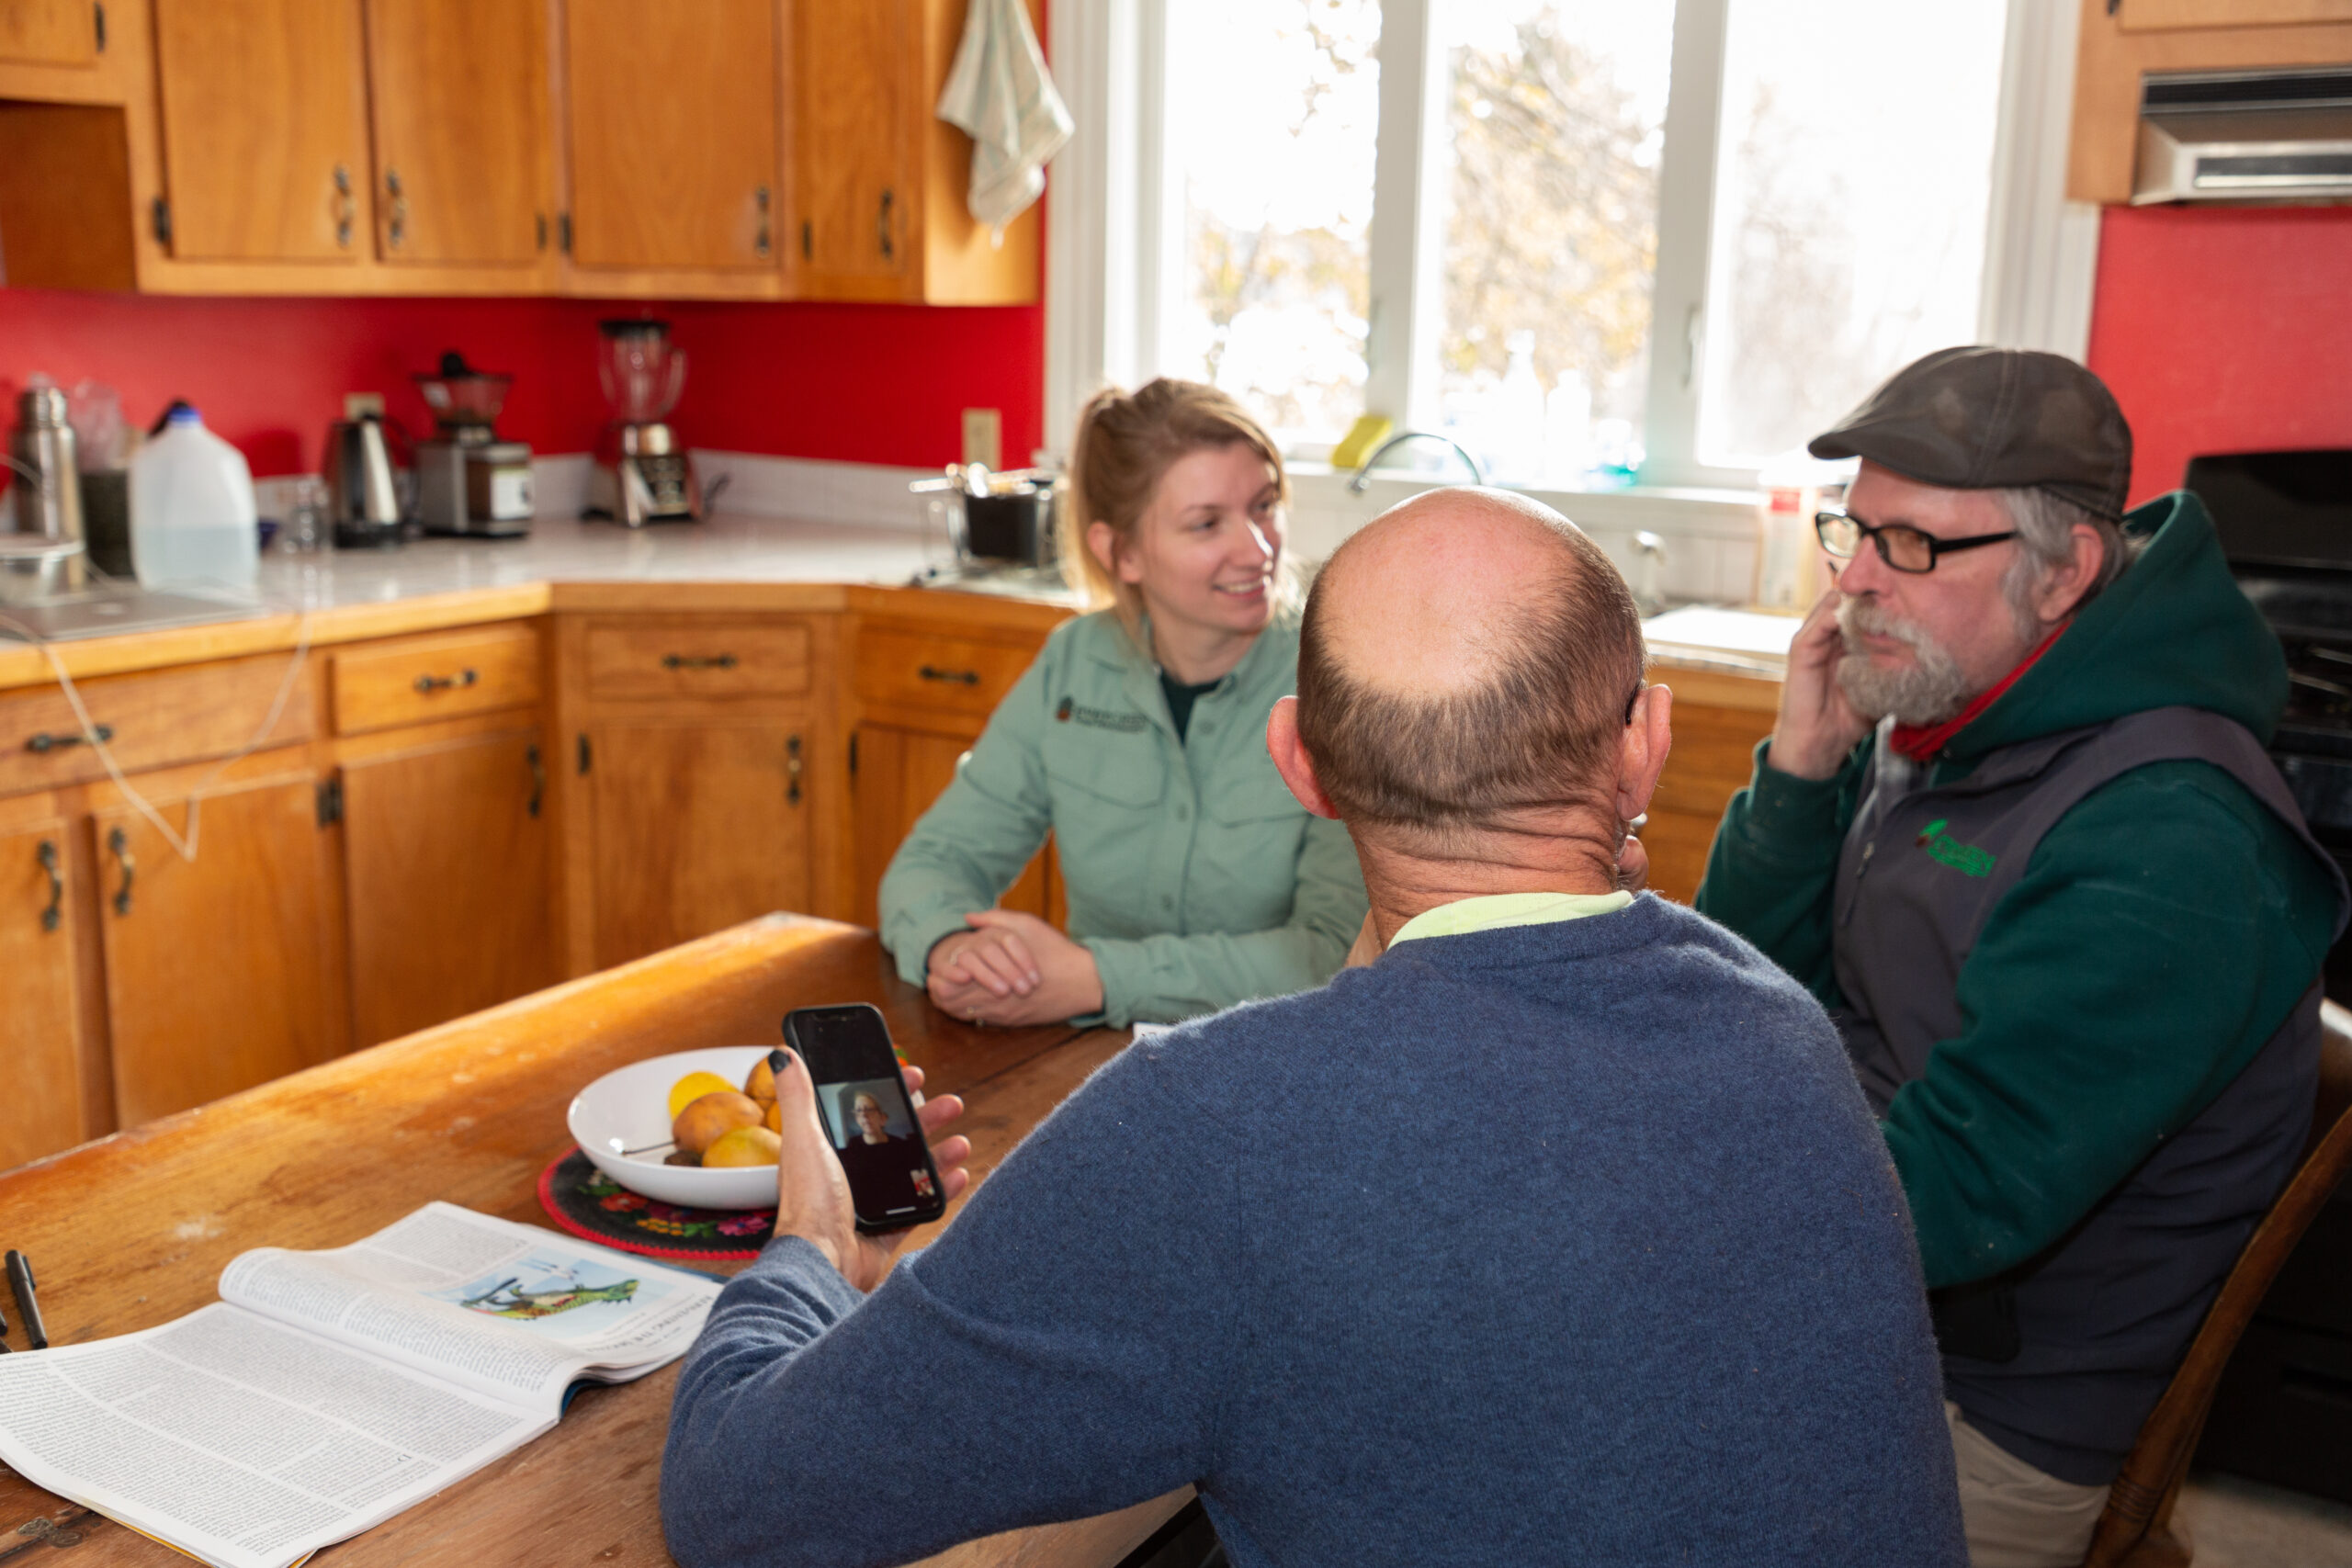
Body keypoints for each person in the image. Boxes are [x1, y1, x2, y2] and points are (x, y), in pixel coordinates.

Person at [662, 488, 1966, 1568]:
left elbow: (741, 1504)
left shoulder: (1217, 1126)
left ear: (1300, 765)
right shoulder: (1784, 1035)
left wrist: (812, 1244)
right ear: (1646, 745)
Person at [1694, 347, 2348, 1568]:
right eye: (1856, 533)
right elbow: (1736, 992)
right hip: (1860, 1259)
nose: (1855, 591)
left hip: (1986, 1399)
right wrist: (1801, 767)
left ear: (2066, 575)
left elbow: (1944, 1203)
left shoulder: (2171, 837)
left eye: (1916, 547)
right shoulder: (1956, 696)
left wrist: (1661, 1195)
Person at [879, 379, 1367, 1028]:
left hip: (1284, 1067)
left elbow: (1331, 956)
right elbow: (934, 862)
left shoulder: (1342, 680)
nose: (1259, 549)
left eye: (1265, 505)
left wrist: (1095, 979)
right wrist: (952, 946)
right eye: (1206, 523)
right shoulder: (1075, 664)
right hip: (1099, 1063)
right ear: (1122, 552)